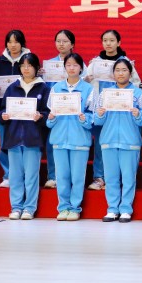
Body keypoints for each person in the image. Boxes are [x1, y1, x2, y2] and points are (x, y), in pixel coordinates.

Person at [85, 29, 140, 191]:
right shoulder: (95, 63)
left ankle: (119, 179)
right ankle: (99, 177)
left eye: (111, 40)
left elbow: (136, 83)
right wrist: (87, 80)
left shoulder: (126, 62)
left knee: (122, 148)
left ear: (118, 42)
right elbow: (85, 84)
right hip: (102, 110)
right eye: (105, 40)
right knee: (101, 144)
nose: (108, 43)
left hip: (122, 112)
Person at [94, 58, 142, 223]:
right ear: (113, 74)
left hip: (130, 141)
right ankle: (112, 209)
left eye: (124, 70)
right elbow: (97, 120)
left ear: (130, 73)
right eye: (117, 70)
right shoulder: (105, 93)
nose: (121, 73)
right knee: (111, 178)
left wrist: (138, 114)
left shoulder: (138, 93)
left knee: (128, 178)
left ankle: (125, 209)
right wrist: (100, 114)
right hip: (108, 140)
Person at [45, 53, 94, 221]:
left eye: (75, 65)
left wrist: (85, 118)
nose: (72, 68)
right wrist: (51, 118)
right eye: (68, 65)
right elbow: (50, 117)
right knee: (62, 176)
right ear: (64, 67)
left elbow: (93, 116)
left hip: (79, 139)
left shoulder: (88, 89)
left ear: (81, 68)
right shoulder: (56, 88)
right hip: (59, 139)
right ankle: (63, 207)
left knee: (77, 177)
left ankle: (75, 208)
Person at [0, 53, 48, 220]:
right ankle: (16, 207)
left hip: (33, 139)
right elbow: (2, 111)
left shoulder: (43, 88)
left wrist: (41, 116)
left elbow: (48, 114)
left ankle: (29, 208)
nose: (26, 69)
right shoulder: (13, 87)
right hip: (13, 138)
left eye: (30, 65)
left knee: (31, 176)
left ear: (36, 68)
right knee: (15, 176)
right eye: (23, 66)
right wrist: (3, 116)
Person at [0, 29, 30, 187]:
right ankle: (8, 175)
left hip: (24, 109)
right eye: (9, 42)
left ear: (22, 43)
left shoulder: (28, 60)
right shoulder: (0, 61)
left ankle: (23, 175)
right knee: (5, 143)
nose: (13, 45)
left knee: (23, 143)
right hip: (4, 110)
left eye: (16, 41)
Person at [42, 29, 75, 189]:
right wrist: (40, 76)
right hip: (55, 110)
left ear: (72, 44)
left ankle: (70, 178)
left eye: (65, 41)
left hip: (73, 111)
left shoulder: (78, 63)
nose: (61, 44)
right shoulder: (49, 65)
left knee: (72, 146)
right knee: (52, 143)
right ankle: (53, 176)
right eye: (58, 41)